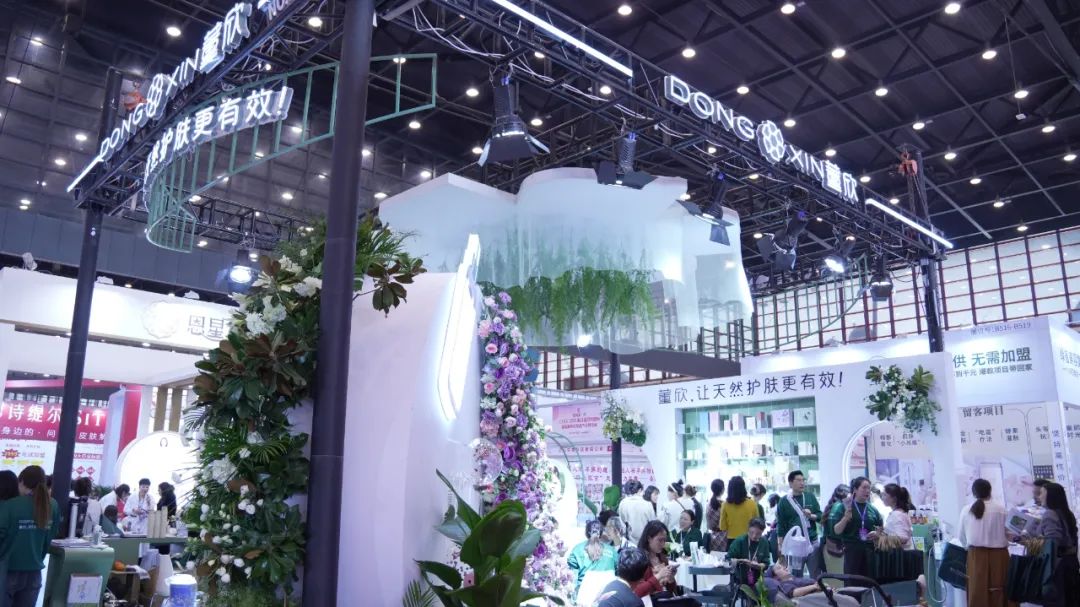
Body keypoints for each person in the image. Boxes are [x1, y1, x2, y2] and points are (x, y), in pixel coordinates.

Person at [0, 465, 61, 607]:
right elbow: (50, 536)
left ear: (21, 481)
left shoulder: (10, 506)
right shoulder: (53, 505)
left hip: (8, 571)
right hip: (34, 573)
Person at [958, 479, 1011, 607]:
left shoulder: (966, 510)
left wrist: (967, 547)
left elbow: (961, 536)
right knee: (999, 590)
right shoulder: (1001, 510)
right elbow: (1009, 533)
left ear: (973, 493)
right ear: (990, 491)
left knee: (977, 591)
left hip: (976, 556)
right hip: (999, 556)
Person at [827, 476, 882, 581]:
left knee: (869, 582)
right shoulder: (844, 507)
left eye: (869, 488)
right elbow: (836, 531)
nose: (867, 491)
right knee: (852, 582)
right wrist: (845, 518)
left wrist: (877, 533)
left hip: (869, 550)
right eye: (864, 487)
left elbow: (880, 527)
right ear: (855, 490)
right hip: (851, 550)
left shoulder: (872, 509)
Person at [1033, 482, 1079, 607]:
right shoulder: (1067, 513)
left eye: (1042, 493)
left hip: (1055, 565)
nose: (1039, 496)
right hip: (1070, 563)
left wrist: (1029, 541)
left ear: (1050, 495)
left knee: (1056, 601)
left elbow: (1052, 542)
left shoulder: (1050, 514)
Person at [776, 470, 822, 576]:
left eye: (803, 480)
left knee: (816, 574)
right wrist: (780, 546)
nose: (802, 483)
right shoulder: (784, 501)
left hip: (812, 542)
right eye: (798, 480)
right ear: (791, 483)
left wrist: (811, 516)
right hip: (794, 545)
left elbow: (820, 516)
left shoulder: (810, 496)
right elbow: (781, 525)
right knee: (795, 576)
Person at [568, 519, 616, 601]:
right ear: (601, 533)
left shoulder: (577, 549)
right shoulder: (612, 551)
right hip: (607, 598)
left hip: (583, 598)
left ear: (587, 533)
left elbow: (572, 578)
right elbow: (618, 572)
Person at [631, 520, 678, 598]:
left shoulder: (662, 558)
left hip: (664, 599)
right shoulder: (638, 560)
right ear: (649, 538)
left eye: (664, 540)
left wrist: (671, 578)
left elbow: (671, 590)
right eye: (660, 540)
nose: (663, 544)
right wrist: (658, 576)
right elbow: (637, 591)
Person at [728, 518, 772, 588]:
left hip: (758, 581)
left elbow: (766, 563)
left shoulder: (764, 542)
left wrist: (759, 566)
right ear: (748, 530)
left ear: (762, 532)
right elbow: (728, 559)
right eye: (751, 532)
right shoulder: (739, 541)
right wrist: (741, 561)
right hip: (739, 579)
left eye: (758, 534)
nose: (754, 536)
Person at [719, 476, 759, 548]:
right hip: (748, 540)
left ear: (729, 489)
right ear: (743, 488)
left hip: (732, 541)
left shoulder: (725, 504)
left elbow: (722, 527)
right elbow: (757, 524)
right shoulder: (752, 503)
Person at [821, 483, 851, 573]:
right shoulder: (840, 506)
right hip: (838, 549)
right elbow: (836, 532)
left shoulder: (832, 506)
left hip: (828, 548)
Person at [882, 483, 915, 550]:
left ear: (894, 498)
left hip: (900, 554)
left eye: (885, 495)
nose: (882, 498)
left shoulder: (897, 515)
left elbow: (903, 538)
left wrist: (881, 537)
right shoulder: (899, 513)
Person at [705, 478, 725, 550]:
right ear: (723, 490)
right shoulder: (724, 504)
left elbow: (709, 523)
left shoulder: (708, 504)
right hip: (723, 537)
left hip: (711, 537)